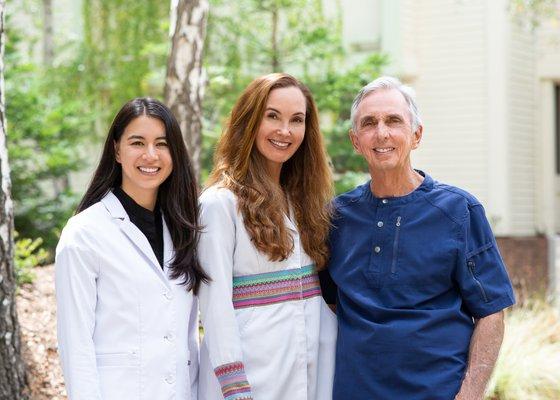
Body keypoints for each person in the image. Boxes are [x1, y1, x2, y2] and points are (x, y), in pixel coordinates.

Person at [321, 76, 515, 400]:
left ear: (416, 135)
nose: (381, 133)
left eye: (394, 121)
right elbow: (327, 304)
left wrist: (469, 395)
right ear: (356, 141)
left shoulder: (459, 210)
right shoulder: (337, 217)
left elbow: (491, 311)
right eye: (369, 123)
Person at [197, 73, 337, 400]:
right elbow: (214, 306)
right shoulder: (220, 204)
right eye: (272, 116)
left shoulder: (302, 201)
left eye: (296, 120)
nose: (284, 131)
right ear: (249, 121)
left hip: (310, 370)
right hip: (251, 377)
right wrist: (235, 388)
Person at [55, 98, 205, 400]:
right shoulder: (85, 234)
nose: (151, 155)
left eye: (161, 144)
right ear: (116, 150)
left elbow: (187, 339)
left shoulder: (184, 230)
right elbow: (75, 345)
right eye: (137, 142)